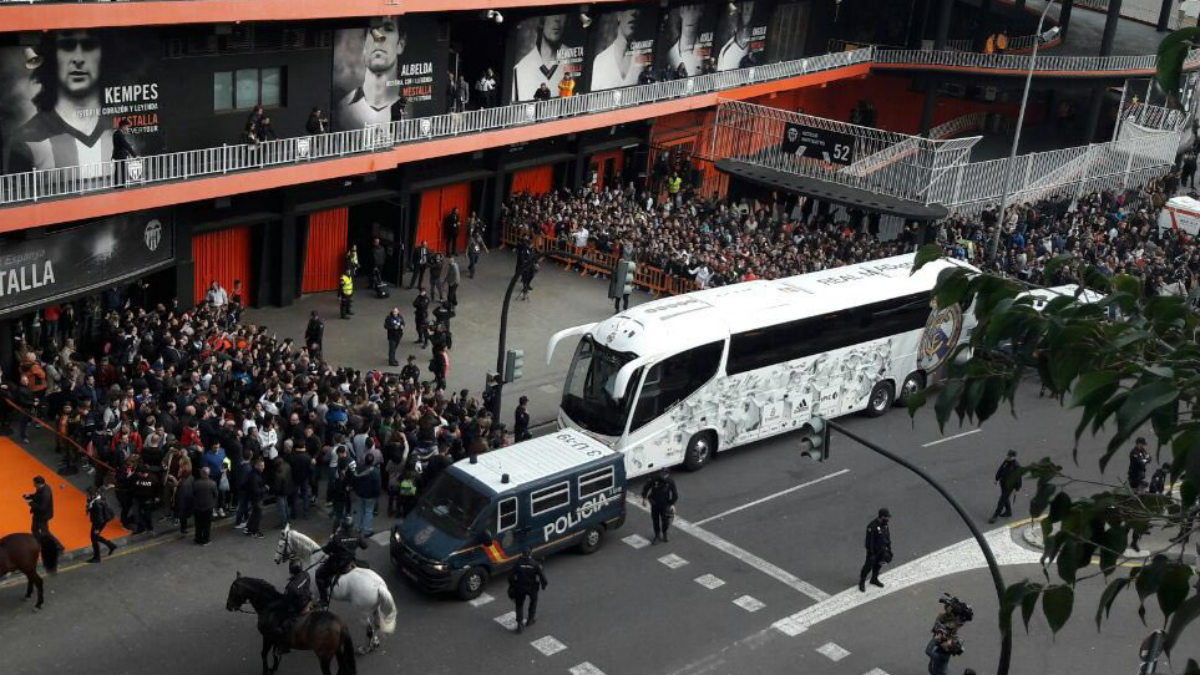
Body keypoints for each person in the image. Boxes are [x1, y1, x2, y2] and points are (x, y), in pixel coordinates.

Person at [4, 30, 114, 174]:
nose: (78, 58)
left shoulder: (122, 130)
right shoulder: (25, 140)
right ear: (51, 57)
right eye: (67, 45)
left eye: (89, 45)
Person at [335, 16, 409, 129]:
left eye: (388, 29)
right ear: (364, 44)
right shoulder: (343, 108)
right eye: (372, 31)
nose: (378, 38)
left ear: (401, 44)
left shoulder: (412, 106)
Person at [512, 14, 573, 101]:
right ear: (541, 20)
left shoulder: (574, 59)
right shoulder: (520, 69)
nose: (557, 19)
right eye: (552, 13)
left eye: (561, 14)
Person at [317, 517, 367, 606]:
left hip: (339, 564)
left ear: (342, 526)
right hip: (351, 562)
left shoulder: (337, 537)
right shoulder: (357, 534)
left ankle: (324, 599)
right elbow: (365, 546)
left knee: (319, 574)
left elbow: (327, 550)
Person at [591, 9, 645, 91]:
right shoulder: (600, 61)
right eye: (628, 7)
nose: (634, 13)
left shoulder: (643, 59)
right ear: (619, 14)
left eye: (637, 8)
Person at [508, 549, 548, 634]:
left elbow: (510, 576)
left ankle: (520, 625)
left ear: (522, 554)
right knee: (533, 601)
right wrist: (543, 586)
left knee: (519, 605)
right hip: (532, 588)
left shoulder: (517, 564)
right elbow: (542, 577)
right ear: (530, 554)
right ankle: (530, 619)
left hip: (520, 588)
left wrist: (512, 585)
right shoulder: (535, 564)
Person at [666, 4, 707, 76]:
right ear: (681, 12)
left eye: (694, 9)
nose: (690, 16)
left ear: (700, 12)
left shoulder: (706, 52)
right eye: (687, 8)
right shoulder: (670, 55)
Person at [641, 468, 678, 543]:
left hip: (665, 504)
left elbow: (675, 494)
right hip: (654, 503)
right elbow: (646, 487)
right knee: (655, 520)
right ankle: (657, 535)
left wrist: (671, 504)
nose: (662, 476)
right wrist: (644, 498)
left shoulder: (670, 482)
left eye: (664, 474)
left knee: (665, 521)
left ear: (667, 475)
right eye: (662, 474)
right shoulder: (654, 479)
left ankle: (664, 533)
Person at [859, 507, 892, 592]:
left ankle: (874, 579)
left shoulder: (885, 525)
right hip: (873, 552)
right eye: (886, 517)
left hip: (882, 551)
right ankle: (862, 581)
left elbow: (887, 537)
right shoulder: (872, 527)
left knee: (878, 565)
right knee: (868, 567)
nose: (888, 519)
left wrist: (889, 549)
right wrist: (871, 553)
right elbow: (869, 542)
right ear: (881, 517)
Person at [716, 0, 756, 70]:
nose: (747, 8)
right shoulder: (727, 52)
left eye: (750, 3)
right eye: (745, 3)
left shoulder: (758, 40)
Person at [85, 485, 117, 563]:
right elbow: (101, 489)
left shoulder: (96, 504)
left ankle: (97, 557)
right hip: (99, 521)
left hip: (98, 523)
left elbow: (99, 518)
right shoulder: (96, 497)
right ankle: (111, 546)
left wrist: (97, 528)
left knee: (94, 538)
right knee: (95, 537)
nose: (87, 495)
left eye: (88, 493)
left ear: (92, 494)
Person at [988, 450, 1021, 524]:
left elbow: (1018, 479)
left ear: (1014, 457)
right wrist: (997, 478)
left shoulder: (1016, 466)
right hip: (1003, 483)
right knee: (1005, 498)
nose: (1008, 457)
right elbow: (1000, 469)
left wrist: (1017, 488)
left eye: (1010, 456)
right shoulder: (1006, 461)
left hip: (1009, 486)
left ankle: (995, 516)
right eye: (1008, 455)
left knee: (1001, 501)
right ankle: (1008, 512)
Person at [192, 466, 219, 545]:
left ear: (201, 474)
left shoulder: (196, 483)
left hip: (197, 507)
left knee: (198, 524)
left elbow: (193, 494)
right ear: (208, 474)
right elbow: (216, 495)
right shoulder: (212, 483)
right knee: (207, 525)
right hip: (208, 507)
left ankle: (198, 538)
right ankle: (206, 540)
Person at [112, 118, 138, 187]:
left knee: (120, 171)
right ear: (123, 126)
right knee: (121, 172)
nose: (128, 129)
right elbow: (125, 145)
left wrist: (128, 153)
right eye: (127, 127)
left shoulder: (118, 134)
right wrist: (134, 155)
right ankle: (120, 186)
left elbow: (123, 146)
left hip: (120, 156)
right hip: (119, 157)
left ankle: (120, 186)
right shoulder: (118, 134)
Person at [245, 459, 266, 539]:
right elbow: (256, 490)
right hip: (256, 498)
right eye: (261, 466)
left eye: (263, 465)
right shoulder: (255, 476)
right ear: (256, 466)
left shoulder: (255, 474)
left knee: (254, 513)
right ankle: (255, 532)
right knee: (258, 515)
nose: (263, 467)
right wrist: (265, 489)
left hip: (255, 498)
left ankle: (249, 529)